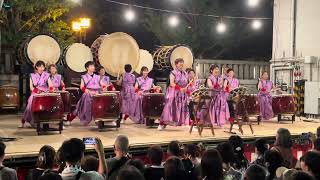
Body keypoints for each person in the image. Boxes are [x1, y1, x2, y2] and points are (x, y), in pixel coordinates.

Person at [159, 58, 190, 130]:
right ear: (176, 65)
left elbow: (187, 83)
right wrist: (180, 88)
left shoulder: (185, 73)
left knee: (183, 108)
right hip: (173, 92)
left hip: (182, 93)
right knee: (169, 108)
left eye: (182, 63)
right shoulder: (173, 72)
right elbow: (172, 83)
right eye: (180, 63)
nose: (182, 64)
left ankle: (187, 124)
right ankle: (162, 123)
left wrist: (186, 89)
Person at [21, 60, 53, 128]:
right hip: (36, 91)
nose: (41, 68)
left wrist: (50, 90)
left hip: (45, 91)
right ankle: (26, 120)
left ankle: (46, 122)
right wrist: (38, 92)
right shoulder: (32, 75)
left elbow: (50, 84)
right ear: (36, 67)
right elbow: (31, 87)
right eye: (40, 66)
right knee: (30, 103)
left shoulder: (47, 75)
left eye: (43, 67)